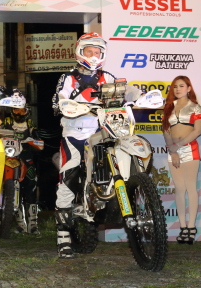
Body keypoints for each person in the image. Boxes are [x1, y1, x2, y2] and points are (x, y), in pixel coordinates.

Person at [51, 32, 140, 258]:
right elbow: (58, 99)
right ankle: (63, 236)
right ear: (80, 52)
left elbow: (125, 92)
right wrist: (64, 104)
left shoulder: (107, 76)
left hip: (102, 132)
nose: (93, 55)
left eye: (97, 52)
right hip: (75, 133)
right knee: (69, 174)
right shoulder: (68, 77)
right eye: (89, 51)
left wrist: (137, 97)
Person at [162, 75, 201, 245]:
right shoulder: (168, 107)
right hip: (173, 151)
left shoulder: (195, 107)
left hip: (190, 149)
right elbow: (166, 131)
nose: (178, 89)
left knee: (191, 188)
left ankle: (192, 227)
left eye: (181, 86)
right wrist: (173, 150)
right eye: (175, 86)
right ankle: (183, 227)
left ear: (188, 88)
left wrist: (178, 145)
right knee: (179, 189)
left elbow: (197, 131)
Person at [0, 89, 42, 234]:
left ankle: (33, 224)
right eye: (16, 110)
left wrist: (31, 141)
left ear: (27, 111)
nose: (19, 113)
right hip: (8, 157)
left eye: (22, 111)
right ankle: (20, 225)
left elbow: (40, 143)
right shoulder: (5, 122)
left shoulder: (30, 125)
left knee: (31, 186)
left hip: (26, 158)